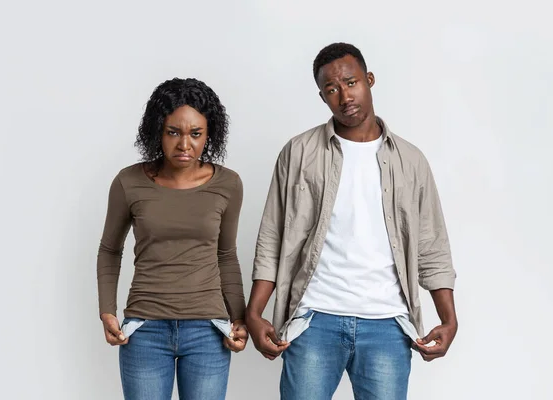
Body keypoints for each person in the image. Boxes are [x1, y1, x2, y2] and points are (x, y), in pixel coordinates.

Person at [246, 43, 458, 400]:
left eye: (351, 82)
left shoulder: (411, 161)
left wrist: (449, 319)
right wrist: (254, 312)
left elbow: (431, 246)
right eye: (332, 89)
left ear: (369, 80)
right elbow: (272, 238)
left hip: (388, 326)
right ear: (322, 96)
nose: (344, 95)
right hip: (314, 320)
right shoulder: (298, 153)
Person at [97, 78, 248, 400]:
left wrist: (239, 319)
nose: (184, 145)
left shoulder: (228, 184)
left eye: (196, 134)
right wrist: (107, 310)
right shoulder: (129, 182)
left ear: (210, 134)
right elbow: (110, 249)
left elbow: (226, 256)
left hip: (208, 331)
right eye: (173, 132)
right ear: (158, 131)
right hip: (145, 330)